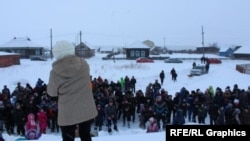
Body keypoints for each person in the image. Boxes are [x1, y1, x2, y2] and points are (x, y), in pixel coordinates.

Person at [47, 40, 98, 141]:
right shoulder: (84, 64)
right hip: (85, 107)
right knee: (86, 135)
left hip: (67, 110)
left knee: (68, 137)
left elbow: (51, 93)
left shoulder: (54, 73)